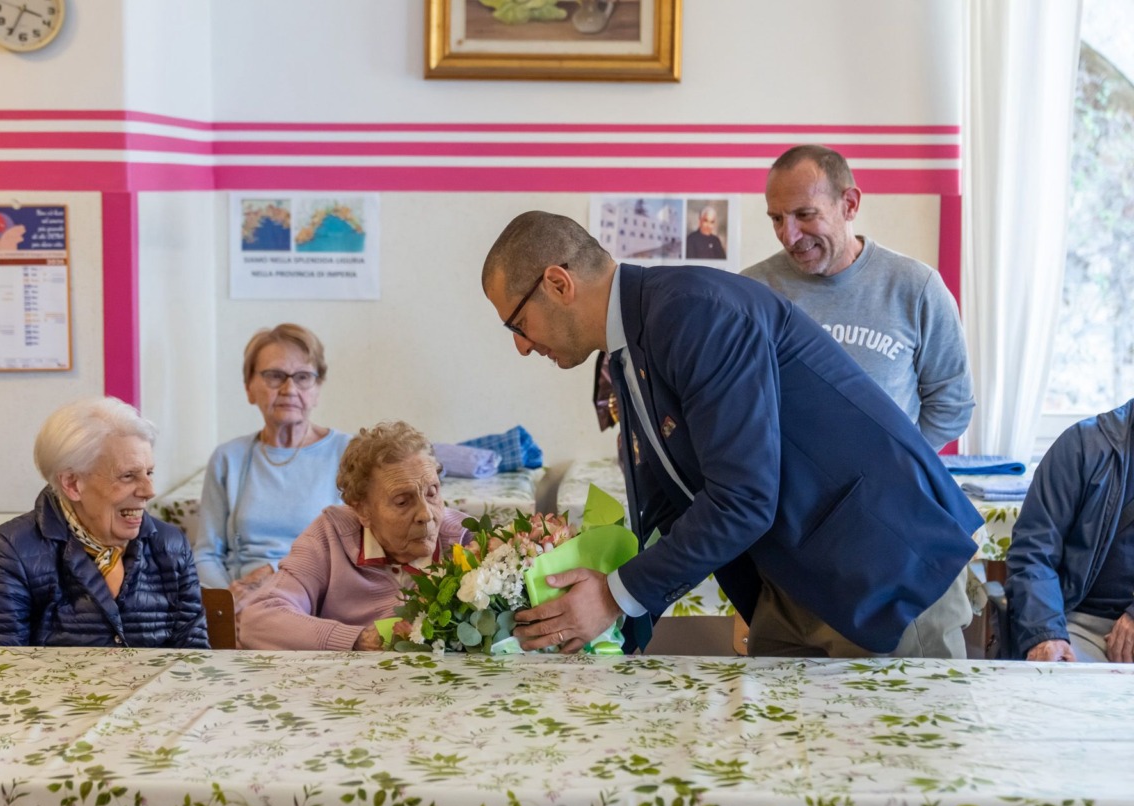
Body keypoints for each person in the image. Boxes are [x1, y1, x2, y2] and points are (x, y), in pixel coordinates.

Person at [482, 210, 984, 658]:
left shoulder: (694, 312)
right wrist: (605, 616)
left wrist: (614, 596)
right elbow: (670, 502)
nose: (523, 347)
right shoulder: (633, 344)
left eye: (518, 324)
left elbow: (742, 498)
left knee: (903, 760)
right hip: (794, 584)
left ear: (558, 283)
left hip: (883, 574)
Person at [741, 145, 974, 450]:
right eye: (777, 219)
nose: (789, 235)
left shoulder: (917, 287)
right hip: (787, 492)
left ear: (849, 205)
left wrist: (900, 460)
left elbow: (952, 405)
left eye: (804, 214)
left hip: (887, 489)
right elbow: (736, 402)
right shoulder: (751, 292)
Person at [0, 397, 208, 647]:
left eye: (149, 473)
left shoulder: (171, 545)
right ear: (72, 484)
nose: (148, 490)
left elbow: (193, 659)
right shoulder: (12, 550)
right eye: (128, 476)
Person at [237, 421, 472, 651]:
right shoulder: (331, 537)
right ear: (362, 511)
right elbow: (258, 621)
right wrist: (358, 640)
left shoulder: (467, 541)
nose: (426, 514)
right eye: (402, 501)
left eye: (432, 493)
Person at [194, 324, 352, 587]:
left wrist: (272, 574)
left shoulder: (349, 454)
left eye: (303, 377)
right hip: (240, 600)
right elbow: (206, 554)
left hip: (318, 595)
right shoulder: (228, 458)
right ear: (248, 388)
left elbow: (356, 551)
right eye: (275, 376)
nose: (289, 389)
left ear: (317, 389)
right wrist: (228, 602)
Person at [1005, 399, 1134, 663]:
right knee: (1057, 688)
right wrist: (1046, 632)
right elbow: (1034, 550)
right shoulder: (1083, 444)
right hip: (1077, 621)